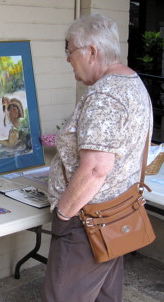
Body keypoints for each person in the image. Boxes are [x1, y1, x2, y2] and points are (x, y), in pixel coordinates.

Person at [42, 13, 152, 302]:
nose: (68, 59)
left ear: (91, 51)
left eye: (70, 51)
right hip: (115, 214)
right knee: (104, 295)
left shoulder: (105, 96)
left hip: (88, 222)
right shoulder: (131, 82)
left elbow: (95, 170)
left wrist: (64, 213)